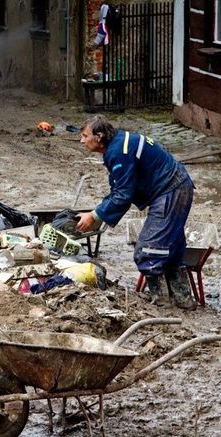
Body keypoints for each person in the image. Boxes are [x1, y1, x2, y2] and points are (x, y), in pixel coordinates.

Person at [75, 115, 196, 309]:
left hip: (170, 190)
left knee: (148, 250)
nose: (81, 140)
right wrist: (98, 213)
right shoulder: (118, 143)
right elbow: (121, 189)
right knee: (170, 249)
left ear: (99, 136)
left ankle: (162, 301)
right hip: (175, 186)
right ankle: (183, 300)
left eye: (84, 135)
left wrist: (95, 216)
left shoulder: (118, 152)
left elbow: (123, 195)